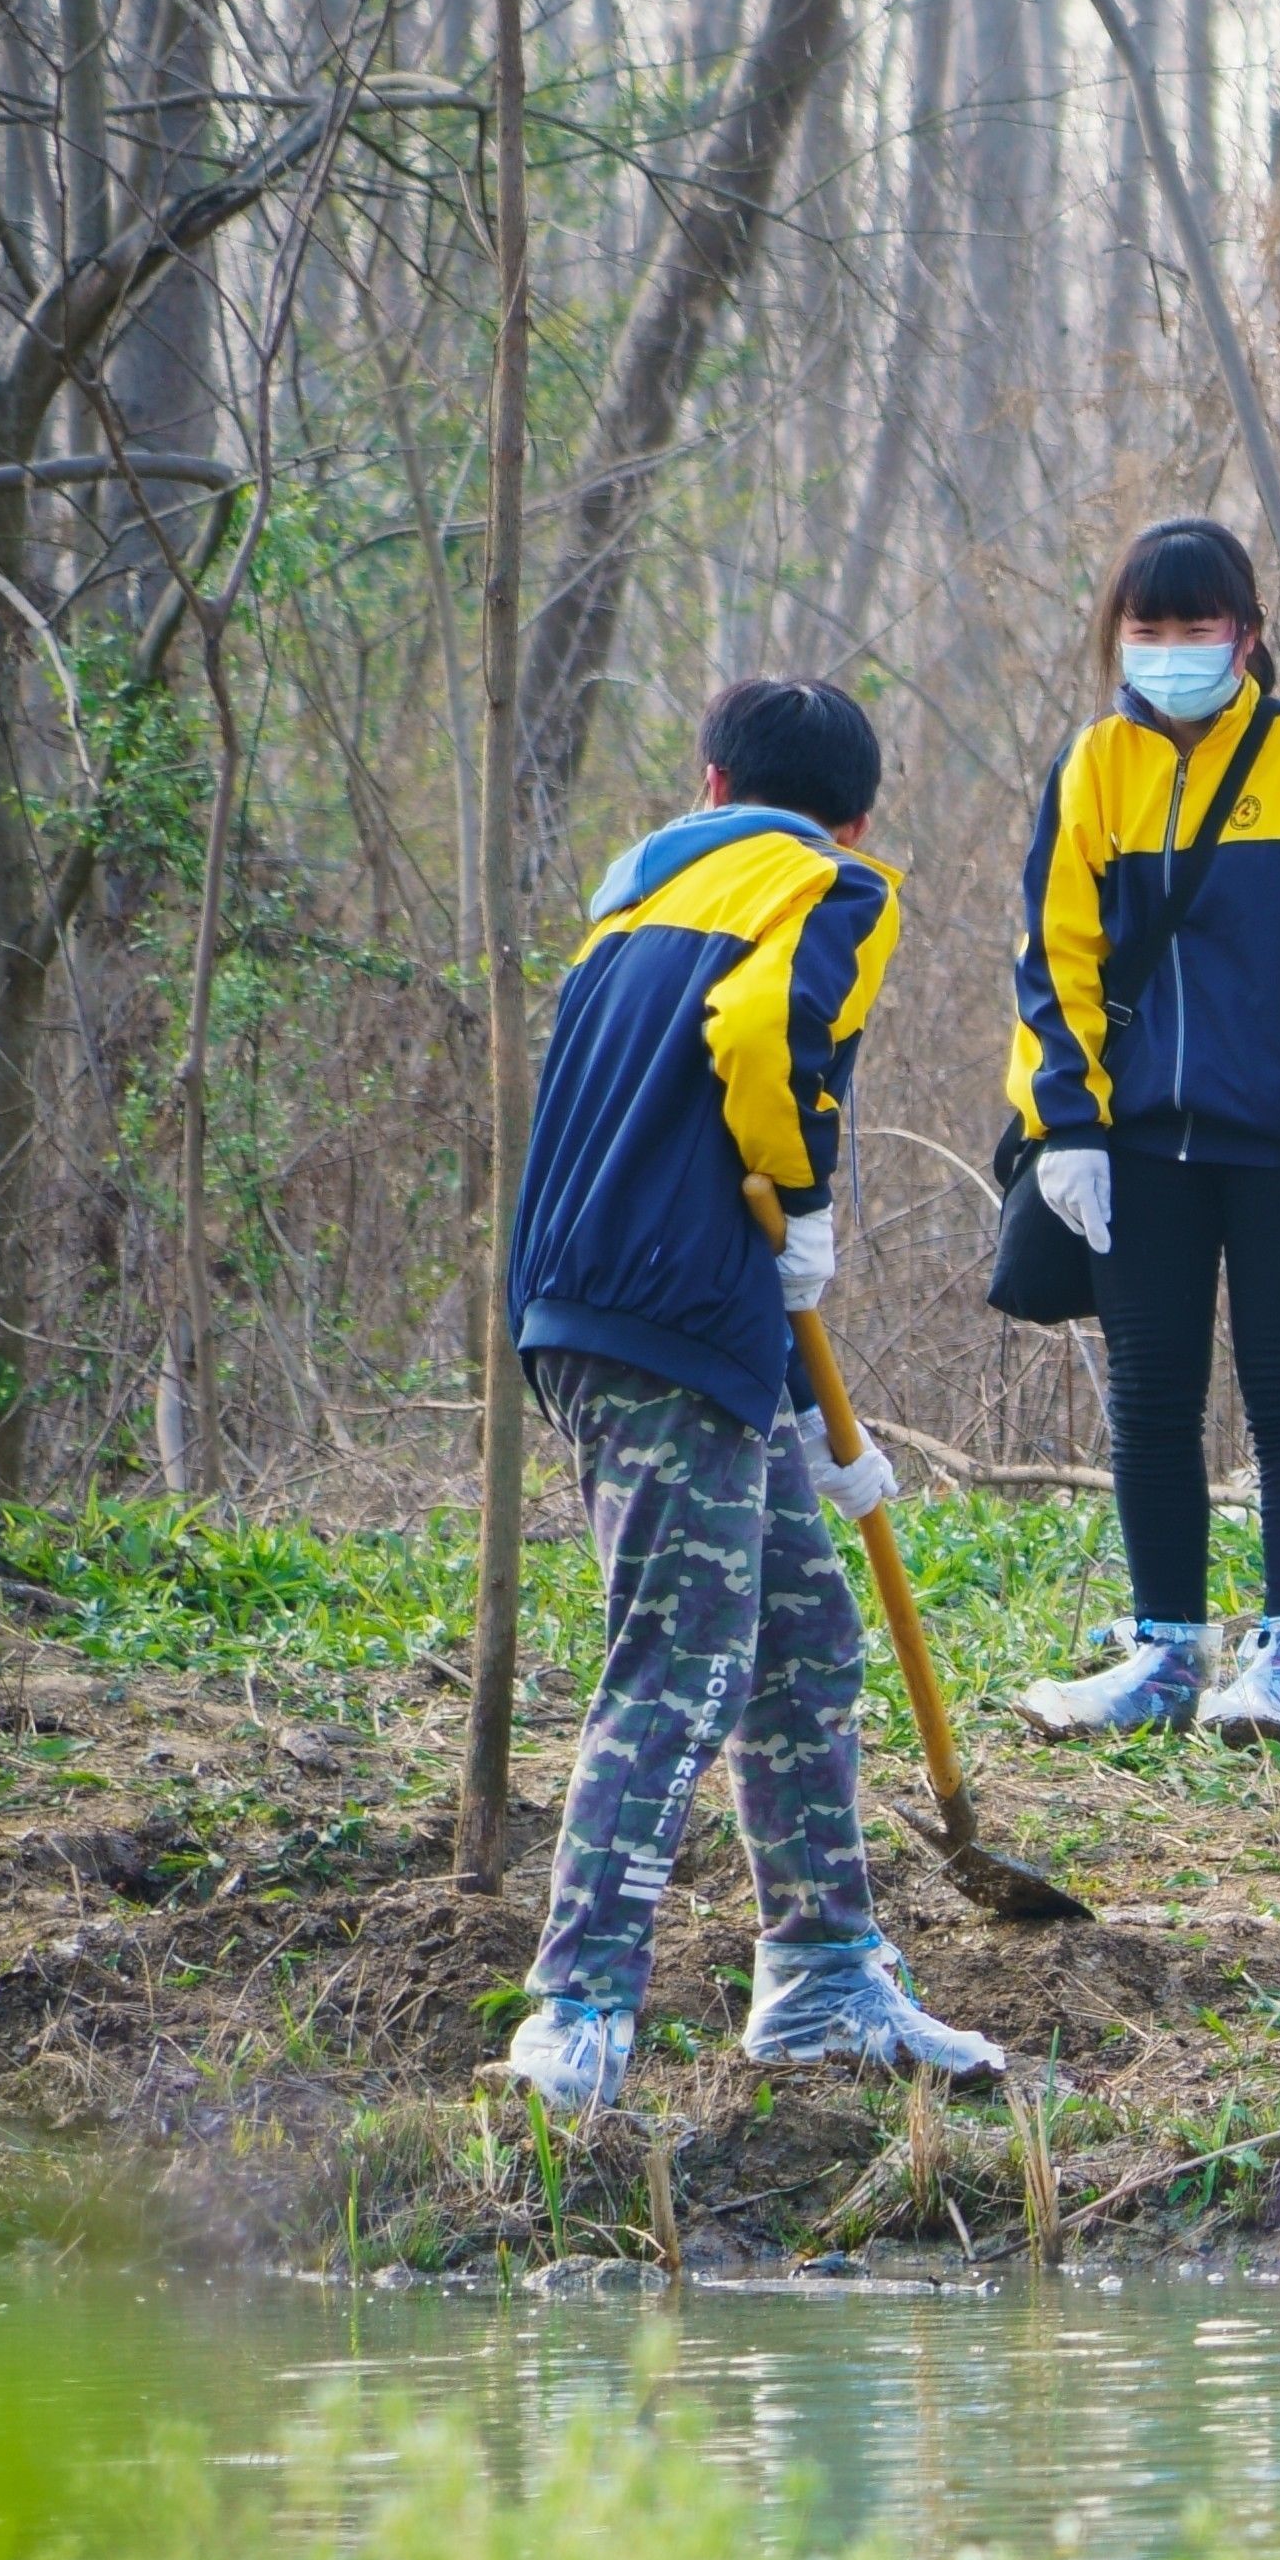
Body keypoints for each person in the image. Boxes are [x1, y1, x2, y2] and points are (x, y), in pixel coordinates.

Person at [487, 678, 1008, 2114]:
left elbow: (647, 1124)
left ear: (709, 779)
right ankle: (575, 2007)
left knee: (803, 1625)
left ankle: (824, 1974)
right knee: (684, 1653)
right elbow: (764, 1035)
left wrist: (786, 1393)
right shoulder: (827, 885)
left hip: (600, 1300)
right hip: (669, 1307)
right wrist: (809, 1193)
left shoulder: (639, 904)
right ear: (856, 815)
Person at [1002, 518, 1280, 1748]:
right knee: (1150, 1395)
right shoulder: (1094, 766)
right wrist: (1065, 1121)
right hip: (1131, 1144)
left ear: (1246, 632)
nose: (1174, 649)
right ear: (1117, 635)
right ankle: (1166, 1652)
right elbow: (1053, 956)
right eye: (1151, 628)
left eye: (1198, 626)